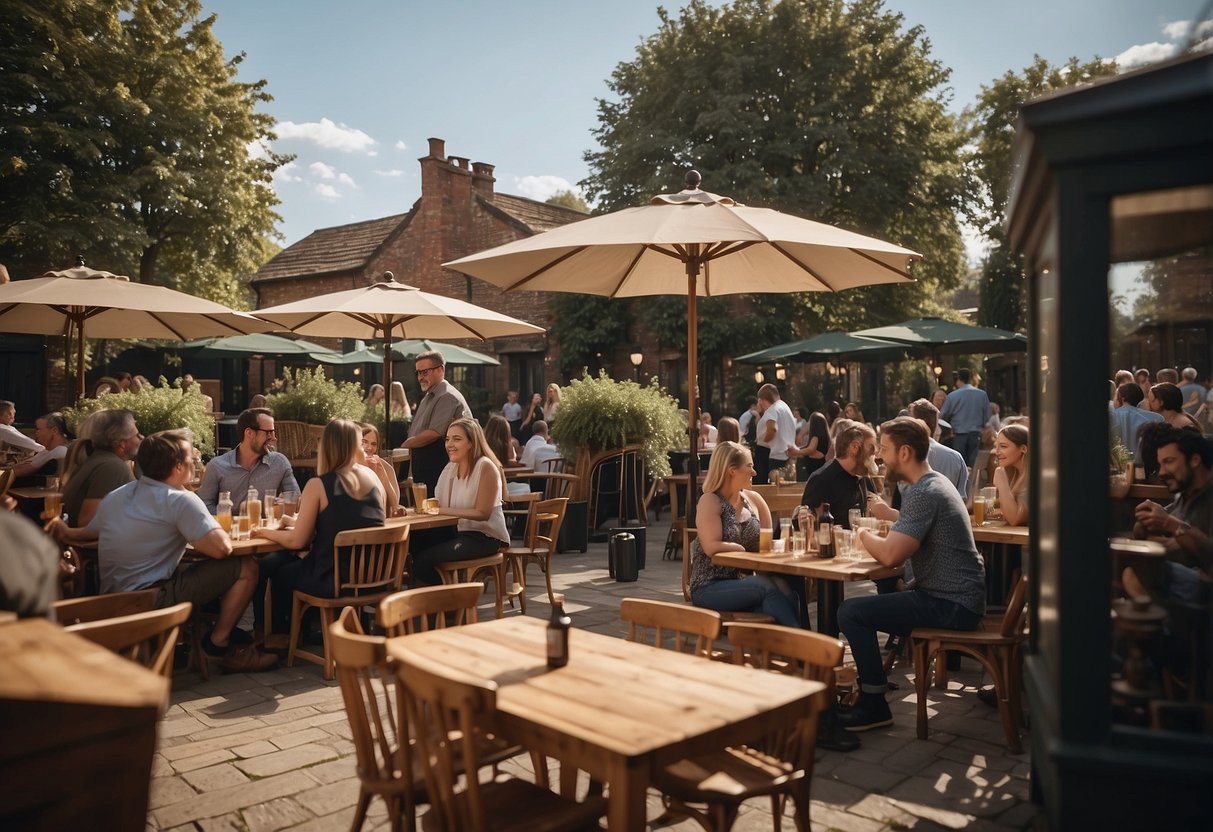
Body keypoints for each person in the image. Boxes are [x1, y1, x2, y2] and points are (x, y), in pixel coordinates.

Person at [49, 430, 275, 671]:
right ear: (178, 468)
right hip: (149, 600)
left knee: (188, 566)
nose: (196, 462)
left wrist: (63, 530)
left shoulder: (117, 495)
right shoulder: (180, 500)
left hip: (111, 599)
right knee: (246, 566)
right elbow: (222, 549)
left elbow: (90, 532)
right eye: (192, 458)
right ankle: (218, 646)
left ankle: (201, 636)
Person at [839, 417, 986, 731]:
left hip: (951, 604)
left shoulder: (923, 492)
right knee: (884, 591)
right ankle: (869, 691)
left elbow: (891, 553)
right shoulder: (934, 483)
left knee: (851, 612)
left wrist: (860, 534)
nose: (879, 455)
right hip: (955, 596)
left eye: (885, 448)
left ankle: (873, 704)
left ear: (904, 452)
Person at [253, 420, 386, 635]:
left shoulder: (319, 484)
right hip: (374, 577)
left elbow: (298, 541)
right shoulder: (372, 480)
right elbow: (346, 518)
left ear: (327, 447)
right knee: (289, 565)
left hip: (335, 581)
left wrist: (264, 532)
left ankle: (281, 639)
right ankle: (308, 633)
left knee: (279, 572)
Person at [687, 441, 800, 627]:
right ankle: (804, 647)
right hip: (708, 586)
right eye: (749, 466)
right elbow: (711, 547)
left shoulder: (754, 500)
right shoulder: (710, 501)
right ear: (732, 470)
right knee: (765, 586)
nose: (755, 472)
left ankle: (791, 649)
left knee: (786, 587)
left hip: (744, 583)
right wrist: (739, 548)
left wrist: (785, 545)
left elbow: (767, 546)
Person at [409, 418, 510, 586]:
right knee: (412, 544)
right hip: (458, 532)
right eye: (447, 439)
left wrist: (441, 511)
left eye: (457, 439)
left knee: (424, 560)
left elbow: (482, 513)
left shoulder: (485, 467)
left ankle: (450, 606)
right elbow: (439, 503)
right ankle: (428, 604)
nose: (449, 444)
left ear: (471, 442)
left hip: (485, 538)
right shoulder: (450, 468)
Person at [197, 408, 300, 514]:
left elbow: (296, 500)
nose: (273, 438)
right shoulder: (216, 466)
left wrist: (274, 504)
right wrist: (234, 513)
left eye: (273, 432)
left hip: (267, 529)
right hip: (230, 529)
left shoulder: (279, 463)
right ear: (249, 433)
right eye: (268, 432)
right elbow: (203, 506)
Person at [401, 351, 469, 493]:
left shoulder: (447, 396)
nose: (420, 377)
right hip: (427, 465)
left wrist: (406, 445)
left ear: (440, 370)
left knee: (434, 510)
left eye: (424, 372)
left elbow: (434, 433)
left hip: (439, 466)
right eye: (418, 373)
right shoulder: (429, 396)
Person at [61, 409, 140, 528]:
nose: (141, 437)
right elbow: (88, 522)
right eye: (137, 435)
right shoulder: (111, 467)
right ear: (121, 443)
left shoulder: (98, 460)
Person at [939, 368, 990, 467]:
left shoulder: (952, 396)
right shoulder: (982, 394)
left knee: (959, 464)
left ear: (958, 380)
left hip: (958, 434)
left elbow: (943, 416)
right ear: (970, 379)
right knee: (974, 465)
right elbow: (987, 416)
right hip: (976, 434)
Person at [755, 383, 796, 484]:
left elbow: (772, 428)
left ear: (761, 400)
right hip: (786, 453)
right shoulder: (784, 407)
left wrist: (763, 440)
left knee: (770, 486)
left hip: (774, 454)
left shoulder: (771, 410)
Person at [10, 412, 68, 483]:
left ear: (54, 430)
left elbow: (20, 470)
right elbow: (21, 465)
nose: (36, 433)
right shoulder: (46, 451)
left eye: (38, 429)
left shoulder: (60, 451)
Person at [993, 424, 1030, 526]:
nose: (997, 452)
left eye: (1003, 446)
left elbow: (1014, 519)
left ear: (1023, 449)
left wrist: (1002, 485)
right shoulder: (1014, 474)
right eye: (996, 446)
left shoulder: (1036, 479)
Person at [360, 423, 401, 515]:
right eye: (364, 442)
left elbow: (395, 505)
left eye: (373, 444)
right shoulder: (351, 467)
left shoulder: (386, 467)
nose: (369, 447)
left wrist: (382, 473)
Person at [788, 409, 829, 481]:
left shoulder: (816, 436)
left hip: (815, 465)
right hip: (817, 464)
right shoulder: (824, 436)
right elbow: (807, 446)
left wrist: (796, 452)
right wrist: (797, 449)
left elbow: (810, 449)